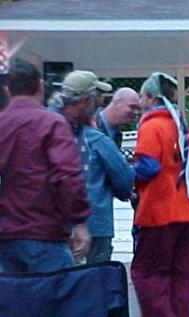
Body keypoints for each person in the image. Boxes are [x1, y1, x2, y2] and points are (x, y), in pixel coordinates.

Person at [122, 72, 189, 317]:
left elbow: (148, 168)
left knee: (147, 271)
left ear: (150, 98)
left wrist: (125, 175)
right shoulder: (184, 128)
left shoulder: (153, 126)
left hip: (160, 210)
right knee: (182, 275)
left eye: (142, 98)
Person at [0, 58, 91, 272]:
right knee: (54, 301)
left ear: (8, 90)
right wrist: (79, 222)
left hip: (5, 236)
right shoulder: (52, 124)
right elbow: (67, 176)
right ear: (40, 86)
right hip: (44, 233)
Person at [53, 70, 134, 264]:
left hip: (52, 227)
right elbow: (124, 182)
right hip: (95, 225)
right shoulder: (97, 140)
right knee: (95, 286)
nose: (99, 102)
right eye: (97, 97)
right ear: (86, 100)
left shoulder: (45, 132)